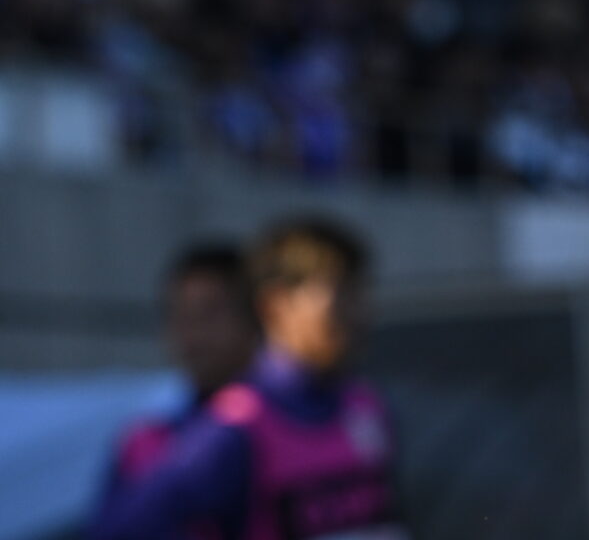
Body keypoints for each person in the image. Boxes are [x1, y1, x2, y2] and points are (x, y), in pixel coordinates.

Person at [92, 215, 408, 540]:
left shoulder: (365, 403)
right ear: (276, 303)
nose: (359, 314)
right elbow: (118, 529)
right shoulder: (236, 424)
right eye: (341, 294)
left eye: (361, 293)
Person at [96, 242, 259, 513]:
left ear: (257, 317)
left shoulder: (297, 422)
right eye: (180, 316)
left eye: (209, 314)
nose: (192, 335)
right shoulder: (148, 439)